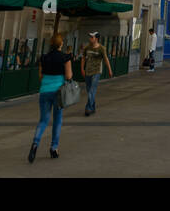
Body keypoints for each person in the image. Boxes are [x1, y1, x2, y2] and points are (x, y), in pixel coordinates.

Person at [30, 33, 72, 162]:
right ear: (61, 44)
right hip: (58, 92)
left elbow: (41, 76)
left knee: (43, 120)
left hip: (45, 91)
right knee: (57, 120)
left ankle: (35, 144)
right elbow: (69, 76)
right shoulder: (65, 57)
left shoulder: (44, 57)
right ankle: (54, 148)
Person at [81, 32, 113, 117]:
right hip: (88, 71)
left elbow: (106, 59)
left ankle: (88, 108)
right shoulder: (87, 47)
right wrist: (82, 68)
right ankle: (93, 107)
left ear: (96, 39)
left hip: (97, 71)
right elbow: (83, 58)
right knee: (89, 90)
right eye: (90, 37)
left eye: (92, 37)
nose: (90, 38)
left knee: (92, 89)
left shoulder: (101, 48)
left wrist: (110, 70)